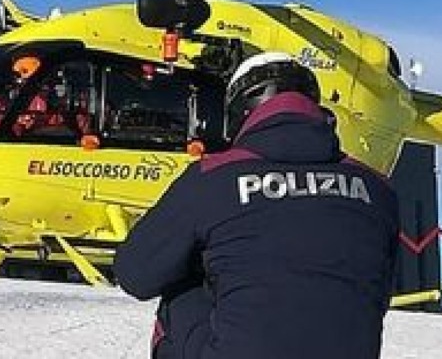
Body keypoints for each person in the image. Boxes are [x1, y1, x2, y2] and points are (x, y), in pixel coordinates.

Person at [114, 52, 401, 359]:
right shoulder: (377, 188)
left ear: (240, 112)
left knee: (181, 288)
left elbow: (135, 275)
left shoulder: (211, 176)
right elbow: (380, 292)